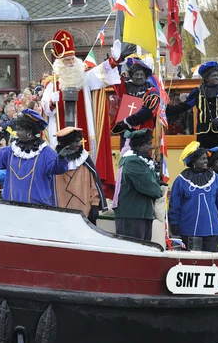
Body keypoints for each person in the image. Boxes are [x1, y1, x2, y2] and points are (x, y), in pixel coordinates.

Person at [41, 30, 122, 195]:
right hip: (59, 128)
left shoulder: (85, 76)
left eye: (72, 58)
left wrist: (113, 61)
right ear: (59, 62)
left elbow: (101, 73)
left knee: (84, 161)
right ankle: (61, 192)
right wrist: (52, 102)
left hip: (84, 128)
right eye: (66, 60)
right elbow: (46, 111)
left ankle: (87, 192)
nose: (70, 62)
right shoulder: (52, 83)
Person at [0, 109, 72, 206]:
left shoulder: (46, 153)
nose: (17, 133)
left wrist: (61, 158)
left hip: (39, 209)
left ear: (29, 132)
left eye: (20, 130)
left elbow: (57, 169)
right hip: (12, 207)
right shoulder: (11, 151)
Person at [166, 61, 218, 167]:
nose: (217, 77)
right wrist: (167, 110)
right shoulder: (198, 92)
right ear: (206, 78)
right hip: (203, 133)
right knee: (204, 160)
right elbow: (185, 106)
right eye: (214, 75)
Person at [168, 141, 218, 252]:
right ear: (193, 161)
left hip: (211, 230)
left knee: (211, 260)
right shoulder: (181, 180)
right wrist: (174, 223)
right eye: (202, 159)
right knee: (191, 262)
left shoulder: (215, 179)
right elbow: (174, 204)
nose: (206, 161)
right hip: (188, 230)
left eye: (205, 158)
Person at [112, 129, 163, 241]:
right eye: (148, 144)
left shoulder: (140, 160)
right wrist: (159, 190)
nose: (151, 147)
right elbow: (149, 187)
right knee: (133, 251)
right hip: (131, 215)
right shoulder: (132, 162)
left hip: (141, 214)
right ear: (139, 147)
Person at [54, 127, 107, 225]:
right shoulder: (54, 160)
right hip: (61, 210)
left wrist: (95, 205)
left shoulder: (84, 158)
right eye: (75, 142)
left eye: (79, 141)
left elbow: (94, 184)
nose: (79, 144)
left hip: (84, 210)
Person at [111, 57, 161, 146]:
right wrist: (115, 62)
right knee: (126, 155)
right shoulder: (126, 88)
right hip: (125, 133)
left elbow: (148, 111)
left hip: (142, 133)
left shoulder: (152, 92)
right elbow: (114, 78)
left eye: (141, 74)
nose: (139, 77)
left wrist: (127, 121)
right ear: (131, 76)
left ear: (145, 76)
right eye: (136, 74)